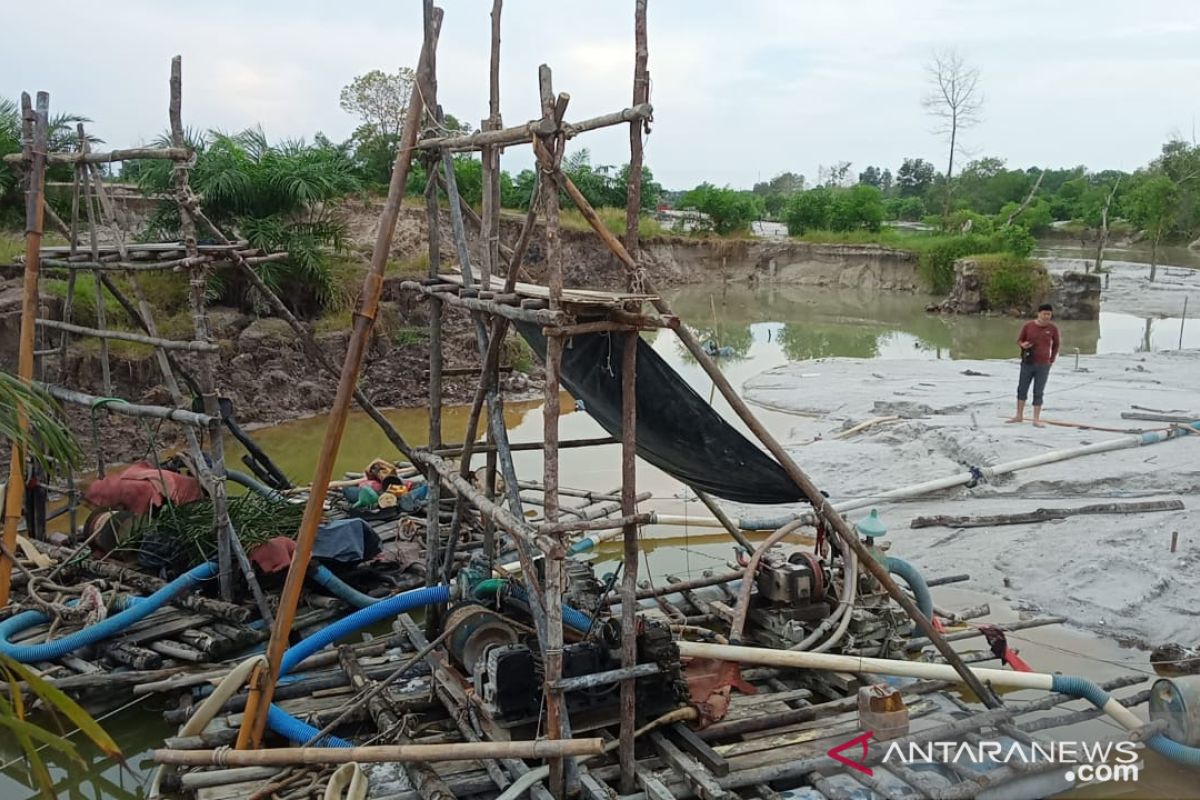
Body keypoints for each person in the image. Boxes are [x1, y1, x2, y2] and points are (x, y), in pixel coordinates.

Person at [1007, 303, 1060, 428]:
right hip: (1027, 363)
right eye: (1044, 314)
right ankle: (1019, 415)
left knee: (1038, 391)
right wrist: (1023, 345)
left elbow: (1056, 345)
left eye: (1049, 314)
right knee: (1022, 389)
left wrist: (1051, 359)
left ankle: (1036, 419)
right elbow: (1019, 340)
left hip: (1043, 364)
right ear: (1038, 314)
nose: (1046, 316)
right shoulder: (1028, 326)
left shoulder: (1053, 328)